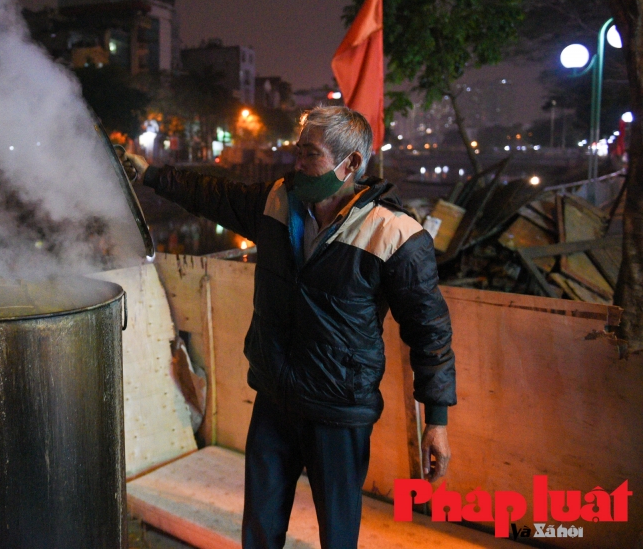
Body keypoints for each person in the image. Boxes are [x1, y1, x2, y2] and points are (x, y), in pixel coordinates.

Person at [124, 106, 455, 549]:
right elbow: (213, 194)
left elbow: (429, 331)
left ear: (351, 163)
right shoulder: (277, 202)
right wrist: (150, 174)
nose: (297, 164)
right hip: (275, 397)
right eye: (297, 151)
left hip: (339, 408)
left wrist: (436, 420)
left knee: (337, 535)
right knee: (260, 530)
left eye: (310, 154)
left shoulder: (396, 235)